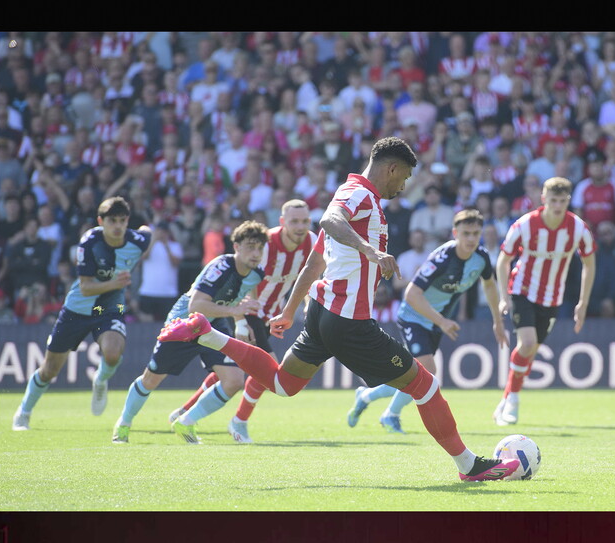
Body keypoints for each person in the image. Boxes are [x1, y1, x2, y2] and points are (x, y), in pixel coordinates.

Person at [158, 137, 522, 481]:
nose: (404, 186)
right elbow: (329, 221)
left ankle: (208, 334)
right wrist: (371, 251)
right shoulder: (357, 194)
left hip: (320, 311)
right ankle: (469, 465)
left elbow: (315, 262)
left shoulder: (360, 199)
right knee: (425, 387)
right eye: (406, 177)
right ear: (393, 169)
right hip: (349, 321)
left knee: (283, 385)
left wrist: (288, 310)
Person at [166, 200, 318, 443]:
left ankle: (185, 411)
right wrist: (242, 320)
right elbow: (243, 278)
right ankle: (239, 421)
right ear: (282, 222)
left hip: (272, 316)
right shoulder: (266, 244)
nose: (300, 226)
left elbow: (311, 278)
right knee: (271, 371)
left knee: (234, 370)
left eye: (304, 221)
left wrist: (308, 307)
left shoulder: (312, 242)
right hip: (249, 312)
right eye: (294, 221)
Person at [347, 209, 509, 433]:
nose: (471, 239)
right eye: (466, 233)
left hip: (435, 321)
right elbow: (412, 294)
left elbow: (490, 285)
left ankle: (366, 395)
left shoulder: (480, 258)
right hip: (413, 316)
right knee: (428, 372)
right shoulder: (442, 259)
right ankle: (390, 415)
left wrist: (497, 322)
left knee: (412, 375)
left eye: (475, 233)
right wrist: (442, 321)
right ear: (455, 233)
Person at [110, 220, 268, 444]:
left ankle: (186, 422)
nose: (256, 253)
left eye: (260, 248)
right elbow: (196, 306)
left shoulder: (256, 274)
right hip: (184, 324)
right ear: (236, 247)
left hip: (213, 324)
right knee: (151, 379)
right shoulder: (220, 267)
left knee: (233, 380)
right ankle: (123, 424)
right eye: (250, 247)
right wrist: (235, 311)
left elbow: (244, 299)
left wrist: (242, 323)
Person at [12, 197, 153, 431]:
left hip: (109, 308)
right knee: (49, 370)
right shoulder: (89, 242)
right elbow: (86, 287)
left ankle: (100, 380)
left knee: (112, 353)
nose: (117, 226)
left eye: (122, 221)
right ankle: (24, 411)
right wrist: (117, 282)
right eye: (112, 221)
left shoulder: (137, 241)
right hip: (77, 309)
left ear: (127, 221)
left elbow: (148, 232)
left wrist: (133, 263)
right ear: (101, 221)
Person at [494, 177, 596, 425]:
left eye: (562, 201)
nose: (558, 206)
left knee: (530, 352)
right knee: (527, 344)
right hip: (522, 290)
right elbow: (503, 261)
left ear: (568, 200)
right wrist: (504, 297)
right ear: (543, 199)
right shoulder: (525, 225)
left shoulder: (578, 228)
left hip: (552, 297)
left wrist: (583, 303)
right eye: (553, 200)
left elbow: (589, 264)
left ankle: (506, 399)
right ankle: (514, 402)